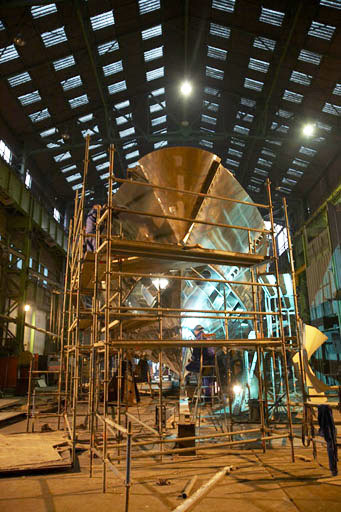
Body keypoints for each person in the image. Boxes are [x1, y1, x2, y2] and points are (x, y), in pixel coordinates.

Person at [186, 325, 215, 401]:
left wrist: (193, 359)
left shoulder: (199, 338)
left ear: (196, 331)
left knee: (188, 367)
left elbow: (196, 353)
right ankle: (208, 397)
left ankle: (204, 394)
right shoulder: (207, 337)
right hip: (211, 362)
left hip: (204, 362)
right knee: (208, 379)